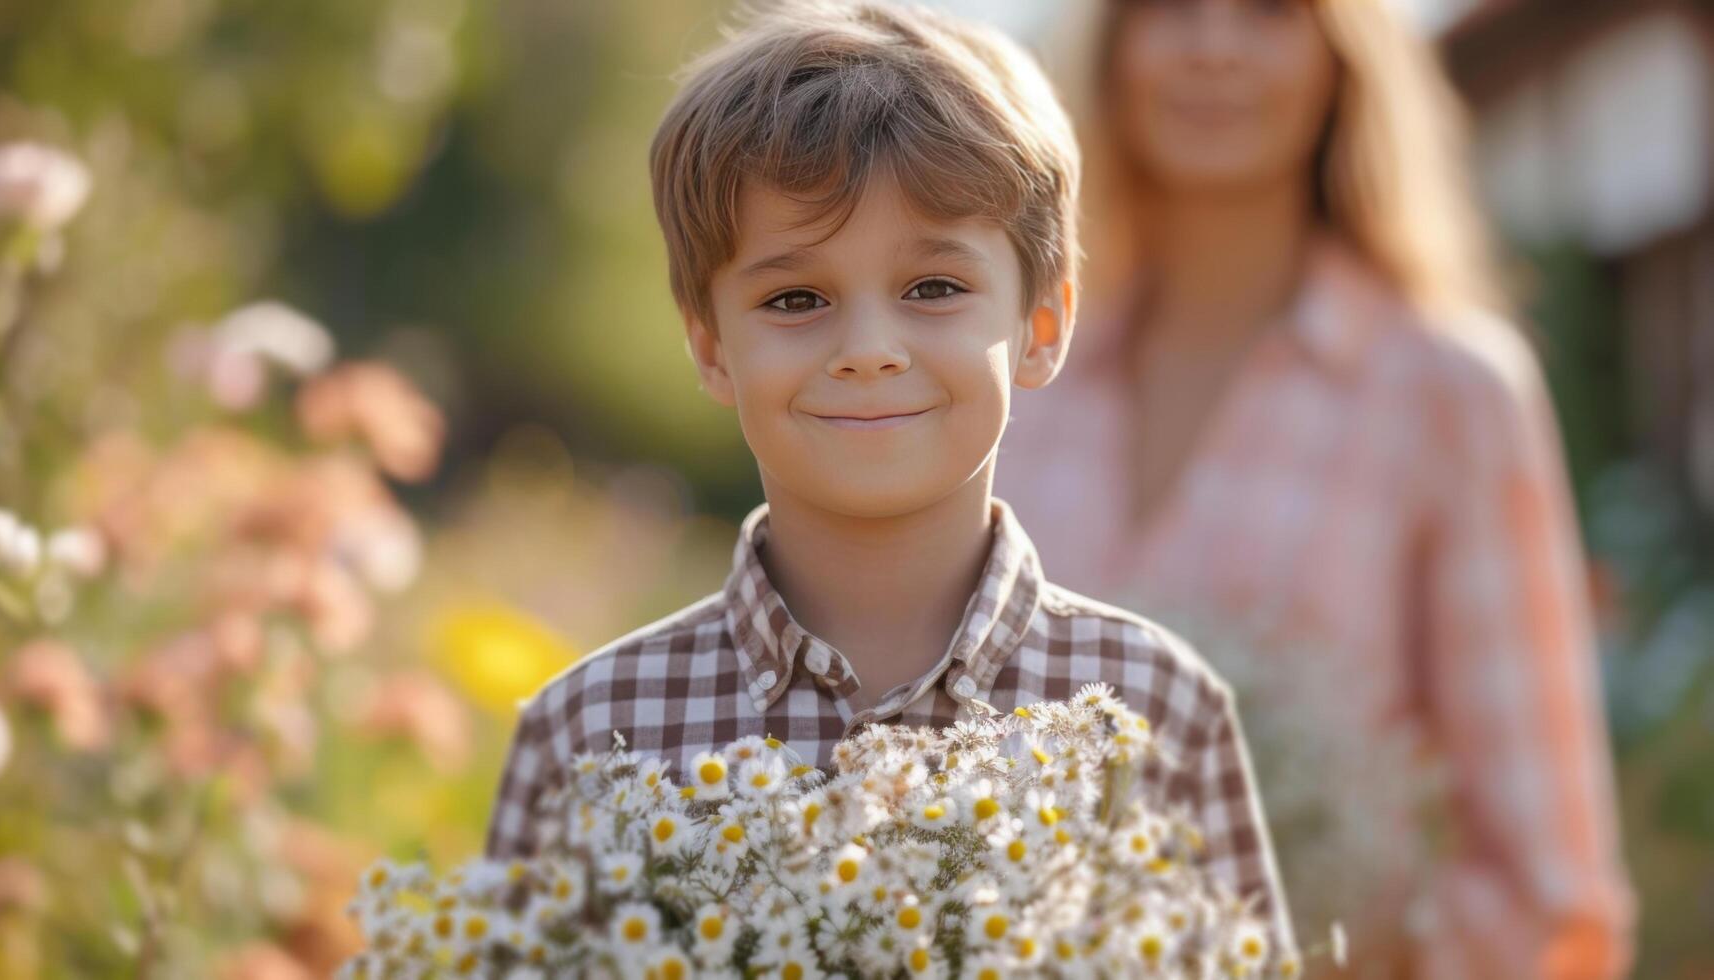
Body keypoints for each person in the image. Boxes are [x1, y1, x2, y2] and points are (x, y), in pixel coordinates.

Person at [484, 0, 1298, 962]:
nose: (868, 350)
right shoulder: (588, 733)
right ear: (710, 348)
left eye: (933, 289)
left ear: (1041, 324)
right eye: (795, 298)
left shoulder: (1160, 712)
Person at [996, 1, 1634, 977]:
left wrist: (1340, 942)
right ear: (1114, 48)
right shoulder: (1016, 382)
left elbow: (1546, 888)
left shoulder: (1445, 390)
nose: (1215, 44)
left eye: (1269, 10)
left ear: (1340, 59)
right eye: (1170, 8)